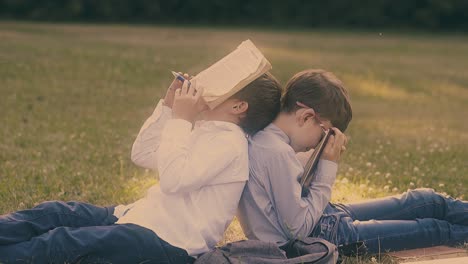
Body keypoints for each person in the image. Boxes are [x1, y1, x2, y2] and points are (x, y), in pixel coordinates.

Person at [0, 72, 282, 263]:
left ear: (238, 107)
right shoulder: (210, 131)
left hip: (168, 241)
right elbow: (144, 153)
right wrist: (170, 109)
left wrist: (182, 120)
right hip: (140, 218)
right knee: (56, 211)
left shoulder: (229, 143)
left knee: (62, 241)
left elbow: (173, 179)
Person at [237, 69, 468, 256]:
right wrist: (328, 167)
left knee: (425, 200)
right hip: (324, 237)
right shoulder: (275, 152)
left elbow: (294, 196)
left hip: (326, 217)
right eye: (324, 134)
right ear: (306, 116)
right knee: (433, 229)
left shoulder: (272, 140)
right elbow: (299, 228)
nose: (318, 143)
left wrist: (314, 159)